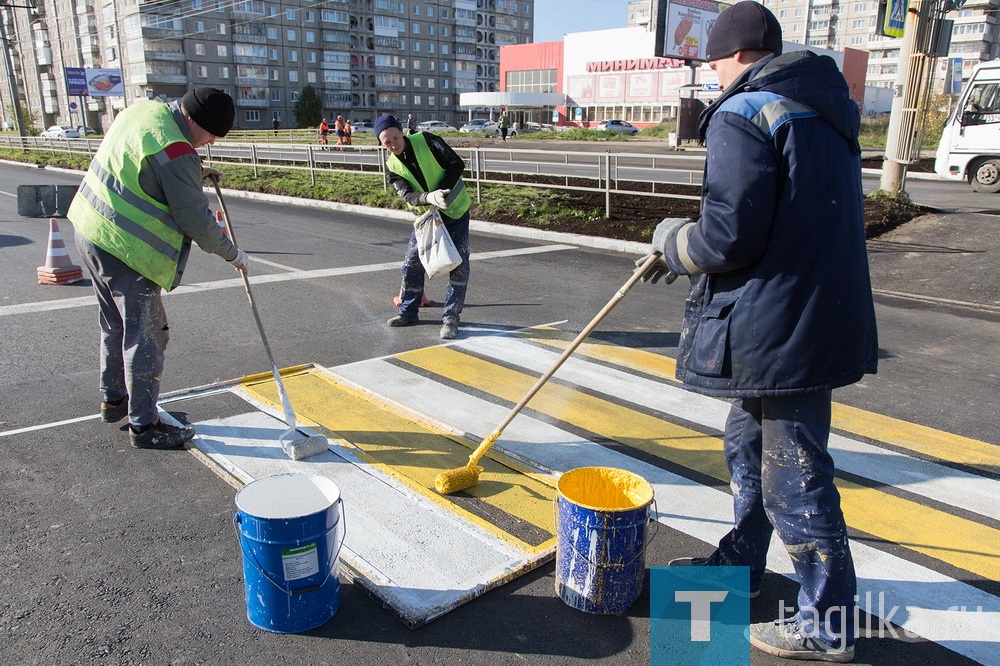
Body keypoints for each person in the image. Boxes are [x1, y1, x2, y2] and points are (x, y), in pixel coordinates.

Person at [638, 3, 877, 662]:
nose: (710, 72)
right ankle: (741, 566)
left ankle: (827, 624)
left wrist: (673, 241)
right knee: (748, 445)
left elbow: (729, 233)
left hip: (782, 325)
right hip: (806, 315)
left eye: (711, 59)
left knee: (793, 475)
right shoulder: (820, 108)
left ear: (731, 53)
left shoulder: (746, 111)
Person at [68, 87, 249, 450]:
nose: (210, 142)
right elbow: (196, 221)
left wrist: (193, 170)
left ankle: (114, 399)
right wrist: (234, 255)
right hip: (126, 249)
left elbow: (149, 163)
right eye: (212, 134)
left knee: (115, 324)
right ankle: (145, 424)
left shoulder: (148, 112)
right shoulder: (178, 152)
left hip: (89, 226)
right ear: (195, 121)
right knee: (146, 334)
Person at [374, 113, 470, 340]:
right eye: (387, 143)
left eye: (395, 138)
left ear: (402, 132)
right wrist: (428, 197)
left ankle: (451, 319)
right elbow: (407, 194)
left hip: (454, 210)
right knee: (412, 264)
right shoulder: (392, 166)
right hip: (427, 217)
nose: (393, 145)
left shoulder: (427, 140)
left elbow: (456, 164)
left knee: (458, 265)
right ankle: (408, 312)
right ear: (381, 144)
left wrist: (442, 191)